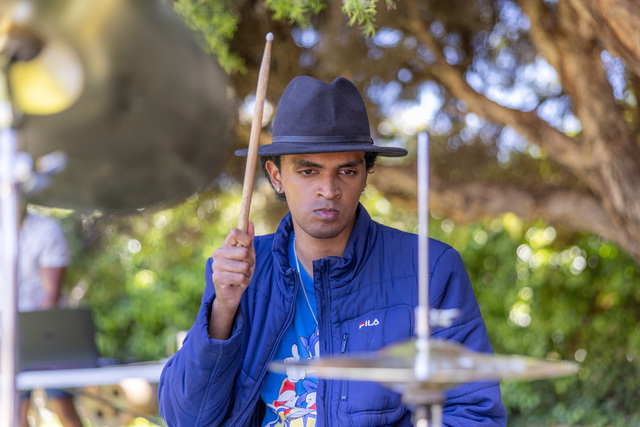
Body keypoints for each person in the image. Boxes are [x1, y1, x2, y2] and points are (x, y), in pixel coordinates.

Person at [158, 76, 507, 426]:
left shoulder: (430, 270)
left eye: (347, 170)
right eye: (308, 171)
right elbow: (186, 419)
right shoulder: (241, 272)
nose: (328, 189)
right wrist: (223, 310)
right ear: (276, 176)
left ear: (365, 175)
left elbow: (474, 414)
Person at [15, 206, 84, 427]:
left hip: (47, 334)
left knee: (63, 407)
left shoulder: (47, 229)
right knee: (15, 414)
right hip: (8, 335)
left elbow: (51, 294)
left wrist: (33, 339)